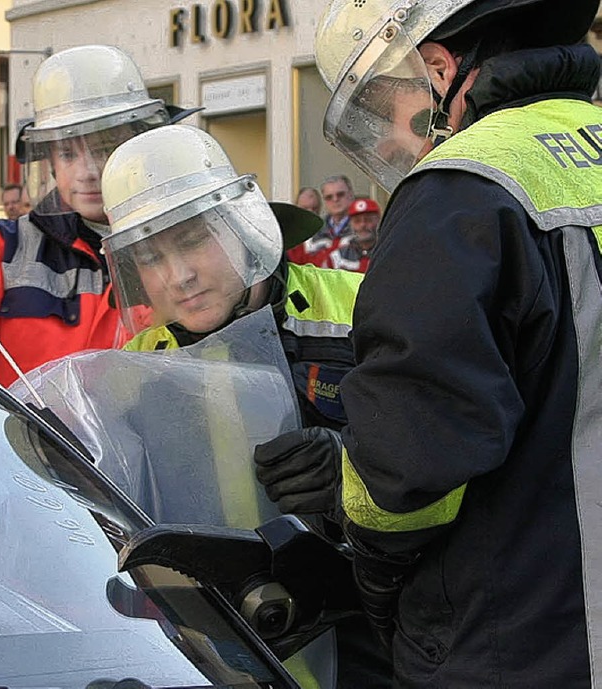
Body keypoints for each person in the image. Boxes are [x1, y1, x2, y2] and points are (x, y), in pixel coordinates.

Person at [254, 0, 602, 686]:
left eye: (383, 108)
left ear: (440, 71)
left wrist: (392, 605)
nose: (384, 144)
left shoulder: (458, 194)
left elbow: (410, 472)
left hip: (521, 646)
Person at [99, 123, 393, 688]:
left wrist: (354, 466)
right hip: (214, 661)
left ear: (241, 223)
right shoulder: (132, 371)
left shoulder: (363, 313)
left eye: (191, 240)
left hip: (375, 647)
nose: (177, 276)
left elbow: (453, 454)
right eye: (150, 256)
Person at [0, 45, 196, 387]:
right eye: (68, 154)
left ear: (140, 144)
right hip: (37, 440)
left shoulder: (189, 235)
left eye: (104, 149)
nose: (88, 171)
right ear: (50, 162)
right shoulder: (8, 250)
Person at [287, 174, 355, 267]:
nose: (335, 199)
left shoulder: (364, 229)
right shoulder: (313, 231)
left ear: (351, 195)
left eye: (340, 194)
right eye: (329, 197)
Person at [326, 197, 380, 272]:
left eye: (368, 220)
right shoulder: (336, 258)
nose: (362, 225)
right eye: (357, 221)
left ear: (377, 220)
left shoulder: (388, 252)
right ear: (350, 223)